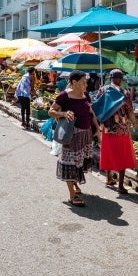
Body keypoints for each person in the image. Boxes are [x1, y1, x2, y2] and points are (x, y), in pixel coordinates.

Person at [48, 70, 100, 207]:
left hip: (85, 135)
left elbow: (91, 112)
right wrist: (64, 113)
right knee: (69, 163)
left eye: (86, 82)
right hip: (71, 136)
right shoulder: (64, 96)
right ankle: (72, 196)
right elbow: (51, 111)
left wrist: (97, 129)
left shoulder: (86, 96)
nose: (86, 84)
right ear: (74, 82)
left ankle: (74, 183)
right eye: (83, 82)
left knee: (79, 162)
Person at [97, 69, 137, 194]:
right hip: (121, 129)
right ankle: (120, 185)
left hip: (107, 128)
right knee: (122, 155)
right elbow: (130, 110)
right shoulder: (124, 92)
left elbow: (98, 106)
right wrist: (134, 122)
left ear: (110, 78)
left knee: (108, 152)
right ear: (121, 79)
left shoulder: (103, 90)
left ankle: (108, 178)